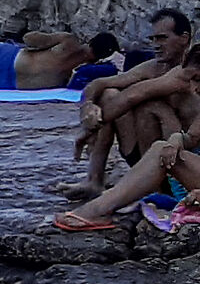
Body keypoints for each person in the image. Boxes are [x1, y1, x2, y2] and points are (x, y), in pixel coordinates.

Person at [53, 47, 200, 230]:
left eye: (198, 80)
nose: (194, 88)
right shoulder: (168, 74)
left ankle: (97, 210)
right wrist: (178, 139)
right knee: (160, 148)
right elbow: (192, 137)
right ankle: (98, 193)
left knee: (158, 140)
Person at [68, 8, 194, 197]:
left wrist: (87, 132)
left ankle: (153, 191)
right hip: (149, 152)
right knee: (108, 94)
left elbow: (134, 94)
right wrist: (88, 106)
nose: (156, 45)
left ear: (184, 38)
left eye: (162, 38)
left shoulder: (188, 71)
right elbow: (99, 84)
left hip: (183, 155)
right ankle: (94, 180)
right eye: (153, 39)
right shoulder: (152, 68)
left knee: (149, 105)